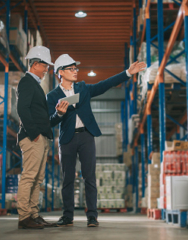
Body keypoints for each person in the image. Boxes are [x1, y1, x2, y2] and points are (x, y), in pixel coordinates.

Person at [47, 54, 146, 227]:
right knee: (67, 179)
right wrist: (59, 114)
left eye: (76, 68)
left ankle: (92, 216)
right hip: (67, 139)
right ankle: (67, 216)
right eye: (71, 69)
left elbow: (104, 85)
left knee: (89, 177)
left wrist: (128, 73)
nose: (75, 71)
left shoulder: (83, 88)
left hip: (86, 136)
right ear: (60, 72)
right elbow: (49, 122)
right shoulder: (52, 96)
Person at [16, 46, 57, 229]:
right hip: (32, 137)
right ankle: (24, 217)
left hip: (41, 137)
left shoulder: (36, 84)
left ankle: (33, 214)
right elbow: (22, 109)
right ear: (34, 64)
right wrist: (34, 134)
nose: (47, 69)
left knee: (38, 179)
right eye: (45, 65)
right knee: (29, 177)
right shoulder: (27, 82)